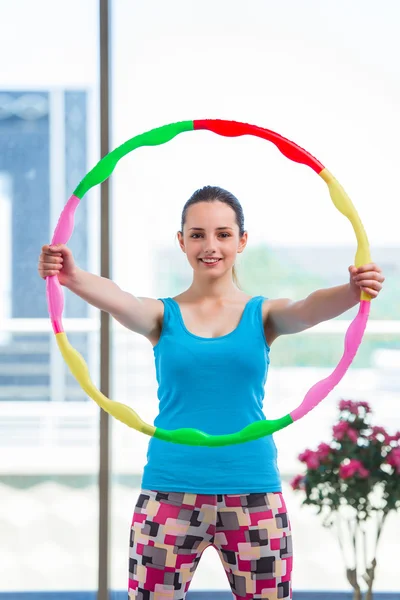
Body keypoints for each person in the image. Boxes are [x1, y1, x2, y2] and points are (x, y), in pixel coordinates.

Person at [38, 185, 385, 599]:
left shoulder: (265, 314)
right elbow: (120, 300)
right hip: (169, 491)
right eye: (198, 234)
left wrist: (352, 290)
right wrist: (71, 276)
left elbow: (308, 307)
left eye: (223, 234)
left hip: (253, 491)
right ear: (181, 241)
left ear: (241, 241)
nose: (210, 246)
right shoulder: (161, 315)